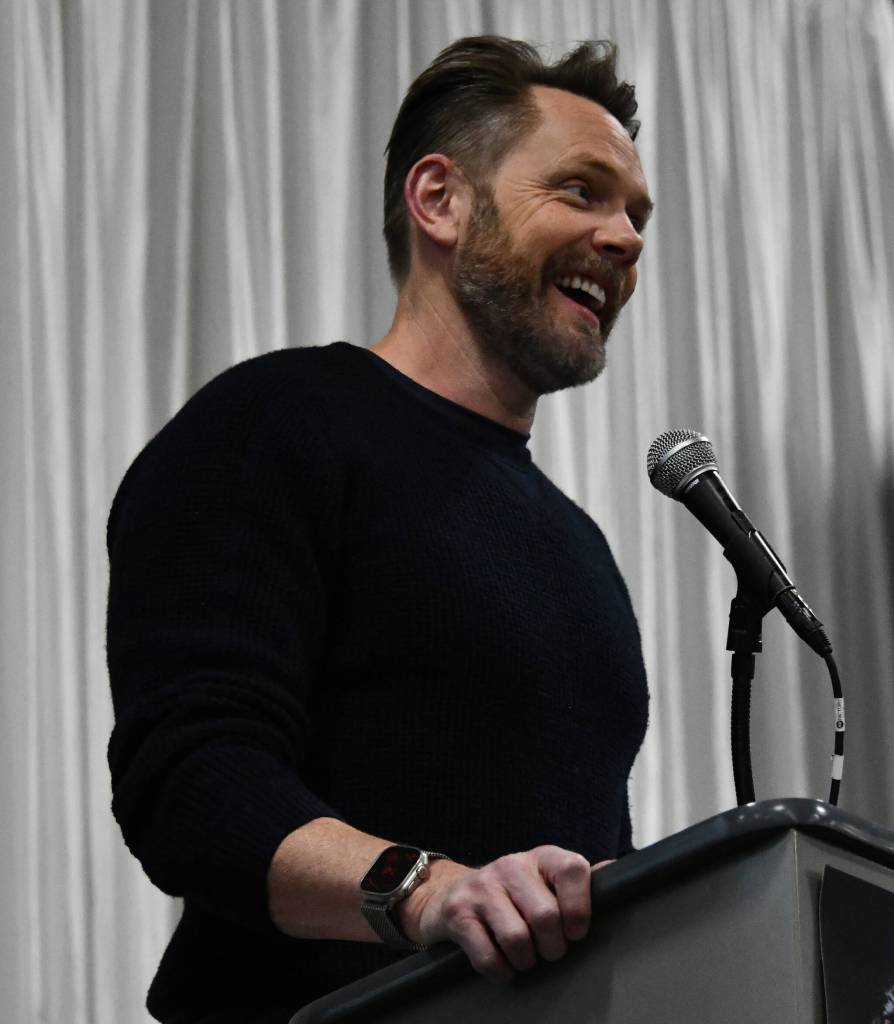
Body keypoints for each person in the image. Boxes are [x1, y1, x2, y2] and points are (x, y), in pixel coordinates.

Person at [106, 34, 653, 1024]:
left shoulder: (578, 545)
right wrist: (431, 890)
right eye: (581, 191)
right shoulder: (278, 422)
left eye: (636, 214)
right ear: (439, 200)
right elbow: (191, 782)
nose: (624, 238)